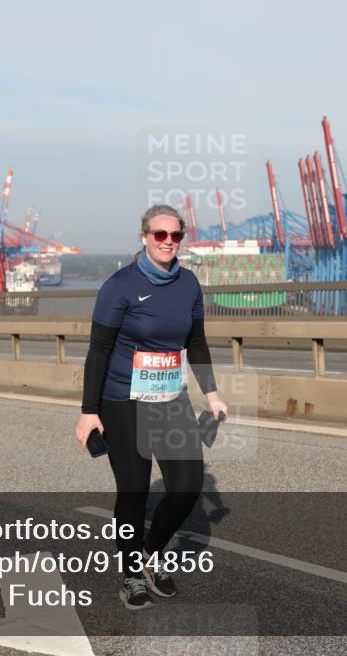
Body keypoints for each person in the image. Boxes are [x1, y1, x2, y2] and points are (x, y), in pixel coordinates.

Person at [74, 204, 226, 610]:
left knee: (188, 484)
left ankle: (149, 552)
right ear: (144, 237)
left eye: (175, 236)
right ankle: (130, 575)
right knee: (135, 489)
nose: (168, 242)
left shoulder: (189, 284)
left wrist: (212, 394)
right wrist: (90, 410)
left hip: (169, 398)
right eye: (160, 235)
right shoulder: (120, 286)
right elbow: (99, 350)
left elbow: (196, 343)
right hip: (122, 400)